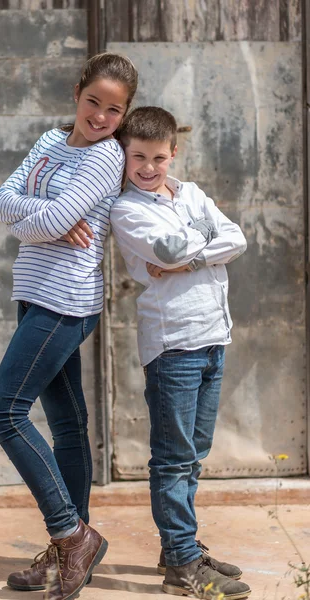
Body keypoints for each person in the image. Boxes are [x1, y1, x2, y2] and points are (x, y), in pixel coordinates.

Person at [0, 53, 138, 600]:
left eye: (114, 110)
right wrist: (43, 221)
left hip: (65, 301)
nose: (100, 116)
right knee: (68, 424)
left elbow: (32, 217)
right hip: (34, 293)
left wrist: (35, 220)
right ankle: (69, 554)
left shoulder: (104, 159)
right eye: (93, 101)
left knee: (2, 411)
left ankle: (70, 533)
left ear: (124, 115)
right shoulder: (49, 142)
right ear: (77, 93)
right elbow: (2, 203)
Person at [110, 106, 251, 599]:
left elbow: (237, 238)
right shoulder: (127, 209)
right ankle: (183, 565)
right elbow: (165, 252)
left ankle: (180, 548)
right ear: (124, 156)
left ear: (175, 153)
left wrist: (187, 256)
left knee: (195, 456)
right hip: (173, 344)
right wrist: (200, 246)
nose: (149, 168)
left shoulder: (190, 193)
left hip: (214, 336)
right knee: (173, 458)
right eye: (138, 158)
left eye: (159, 158)